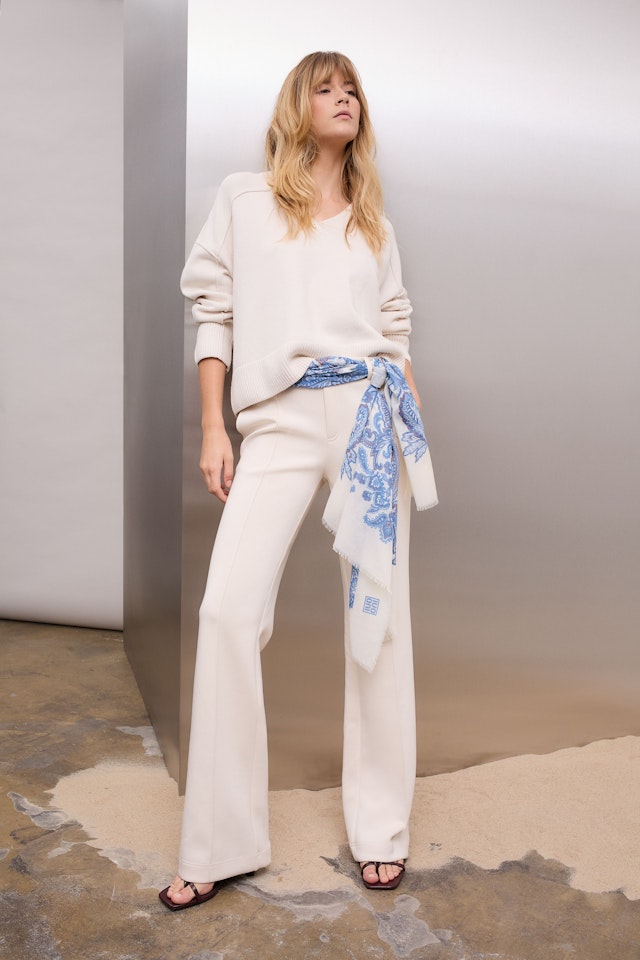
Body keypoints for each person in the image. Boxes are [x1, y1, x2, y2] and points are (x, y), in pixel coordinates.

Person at [159, 51, 437, 911]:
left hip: (368, 418)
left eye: (352, 89)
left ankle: (381, 829)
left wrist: (410, 438)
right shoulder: (245, 199)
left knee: (380, 621)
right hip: (277, 419)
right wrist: (214, 427)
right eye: (326, 87)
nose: (343, 98)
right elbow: (214, 312)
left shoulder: (372, 223)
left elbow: (394, 332)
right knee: (226, 611)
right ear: (297, 105)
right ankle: (220, 841)